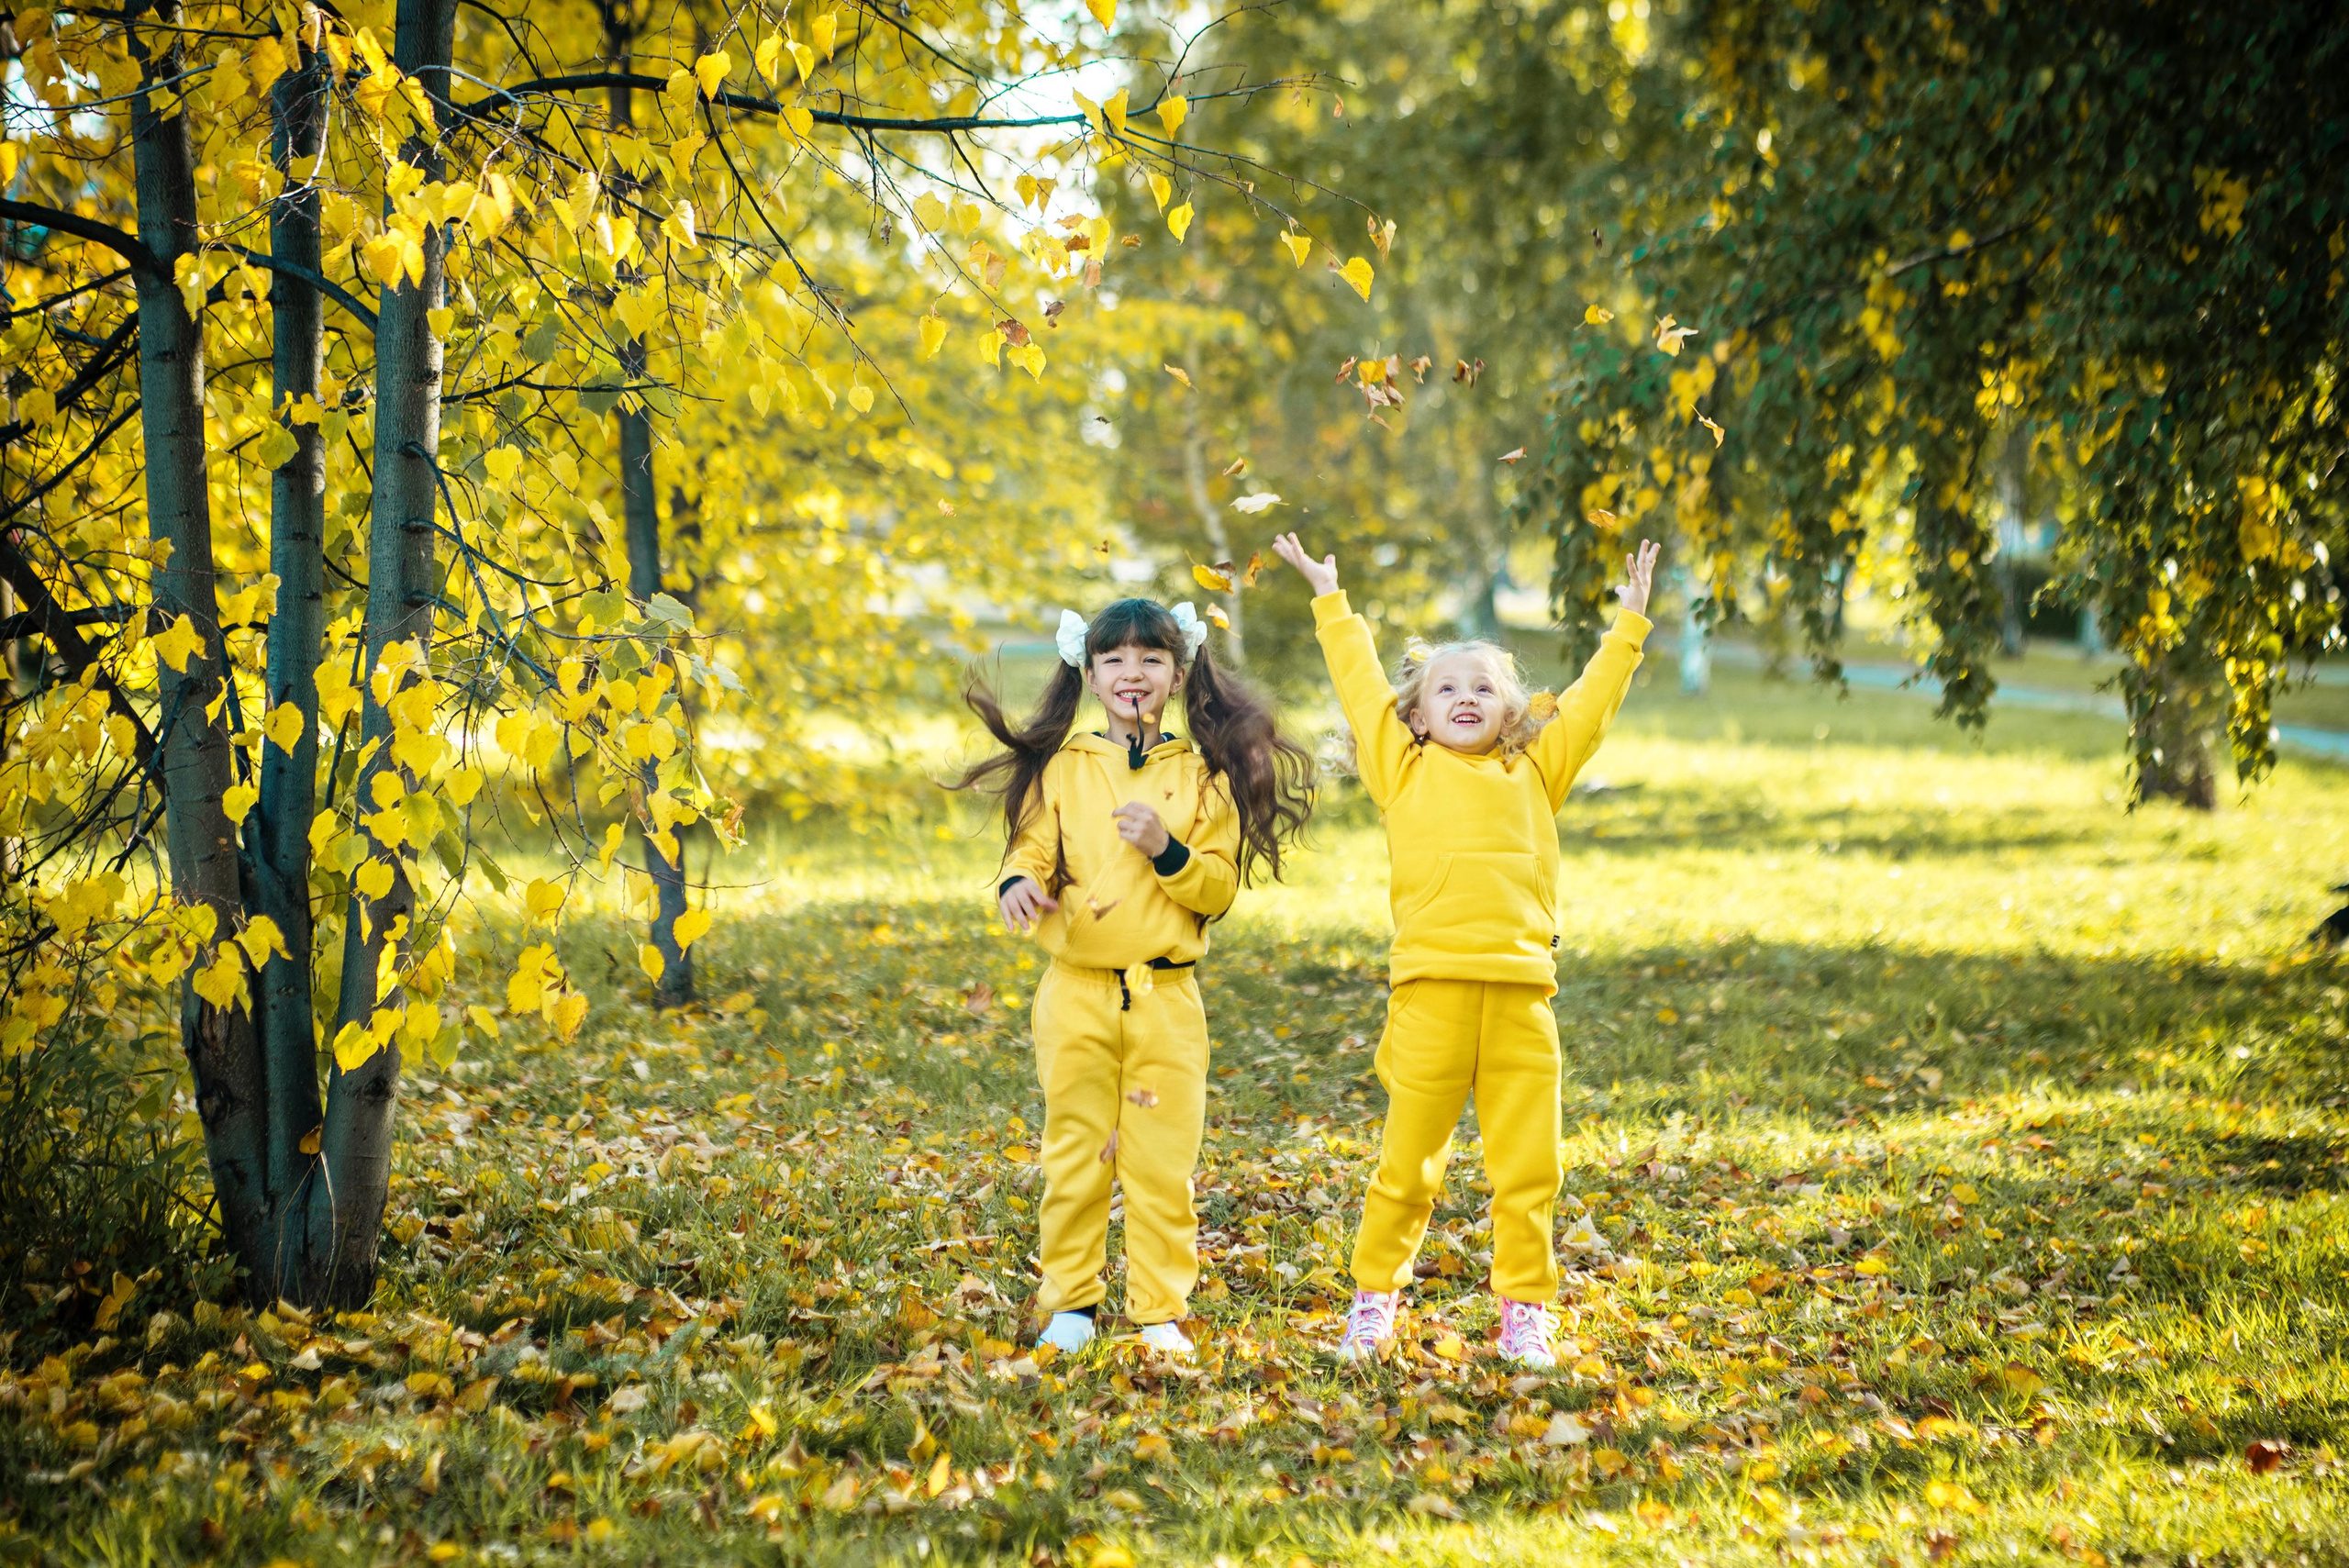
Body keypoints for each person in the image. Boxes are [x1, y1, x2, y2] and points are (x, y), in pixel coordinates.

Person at [1271, 532, 1659, 1367]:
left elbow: (1587, 708)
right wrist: (1330, 598)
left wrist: (1629, 624)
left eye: (1485, 686)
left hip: (1522, 1000)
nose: (1468, 696)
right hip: (1430, 997)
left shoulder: (1537, 769)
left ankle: (1525, 1311)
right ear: (1418, 714)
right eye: (1447, 688)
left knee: (1530, 1171)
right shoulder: (1401, 768)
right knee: (1406, 1165)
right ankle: (1374, 1302)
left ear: (1511, 710)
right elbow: (1359, 682)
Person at [956, 598, 1313, 1355]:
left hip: (1166, 998)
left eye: (1151, 659)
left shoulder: (1204, 776)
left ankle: (1157, 1310)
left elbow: (1214, 890)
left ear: (1178, 675)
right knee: (1077, 1152)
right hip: (1076, 993)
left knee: (1160, 1161)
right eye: (1114, 659)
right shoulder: (1065, 767)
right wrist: (1016, 885)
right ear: (1089, 675)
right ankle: (1072, 1306)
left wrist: (1167, 850)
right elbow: (1028, 849)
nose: (1132, 673)